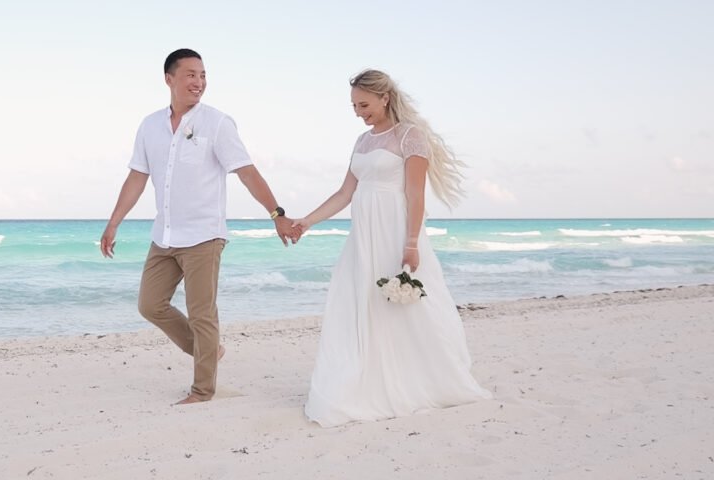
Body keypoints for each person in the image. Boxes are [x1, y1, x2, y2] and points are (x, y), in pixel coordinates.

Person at [292, 69, 491, 426]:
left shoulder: (410, 137)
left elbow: (415, 196)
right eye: (354, 105)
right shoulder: (362, 142)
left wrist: (411, 243)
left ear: (385, 97)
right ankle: (367, 378)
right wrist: (307, 221)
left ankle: (421, 379)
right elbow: (344, 194)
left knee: (406, 308)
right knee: (364, 303)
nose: (358, 112)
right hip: (363, 236)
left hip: (396, 231)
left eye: (364, 104)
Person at [100, 48, 295, 405]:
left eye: (203, 75)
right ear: (169, 79)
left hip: (204, 235)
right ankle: (209, 351)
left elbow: (246, 172)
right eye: (191, 74)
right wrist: (114, 222)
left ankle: (203, 391)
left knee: (202, 314)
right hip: (165, 235)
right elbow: (137, 177)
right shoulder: (149, 126)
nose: (199, 82)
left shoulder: (218, 123)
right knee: (149, 304)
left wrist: (276, 214)